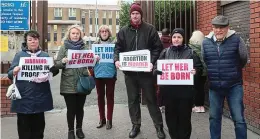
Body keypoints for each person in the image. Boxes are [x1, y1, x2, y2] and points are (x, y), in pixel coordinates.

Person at [114, 3, 165, 139]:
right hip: (130, 74)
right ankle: (135, 125)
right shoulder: (123, 31)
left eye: (137, 13)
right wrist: (116, 60)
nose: (135, 15)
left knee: (151, 100)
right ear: (130, 15)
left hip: (146, 73)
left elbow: (157, 48)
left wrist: (151, 62)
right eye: (133, 13)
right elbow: (117, 48)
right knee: (133, 100)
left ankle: (159, 127)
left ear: (141, 15)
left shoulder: (150, 29)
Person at [202, 15, 248, 139]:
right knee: (214, 118)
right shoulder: (205, 42)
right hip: (214, 86)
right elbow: (205, 61)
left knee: (239, 119)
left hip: (234, 86)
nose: (219, 30)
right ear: (212, 28)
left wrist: (233, 71)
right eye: (216, 27)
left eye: (222, 27)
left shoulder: (237, 40)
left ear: (228, 27)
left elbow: (243, 59)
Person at [7, 30, 59, 139]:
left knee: (38, 130)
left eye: (35, 39)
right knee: (24, 130)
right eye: (30, 39)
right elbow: (10, 74)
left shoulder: (44, 55)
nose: (33, 42)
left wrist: (54, 69)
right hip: (23, 97)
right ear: (26, 41)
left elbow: (53, 72)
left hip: (40, 97)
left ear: (38, 40)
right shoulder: (19, 55)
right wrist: (14, 71)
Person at [154, 28, 202, 139]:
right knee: (171, 119)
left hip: (185, 93)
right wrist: (157, 71)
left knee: (184, 119)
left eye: (179, 37)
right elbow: (157, 67)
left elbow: (199, 68)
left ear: (183, 39)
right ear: (171, 38)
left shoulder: (191, 52)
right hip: (169, 93)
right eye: (174, 37)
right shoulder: (165, 52)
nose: (176, 39)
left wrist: (196, 71)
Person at [55, 25, 96, 139]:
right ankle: (70, 131)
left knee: (80, 108)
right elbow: (57, 64)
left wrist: (94, 60)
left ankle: (79, 129)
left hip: (82, 82)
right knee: (71, 109)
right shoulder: (64, 48)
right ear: (69, 34)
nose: (75, 35)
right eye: (73, 33)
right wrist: (62, 61)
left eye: (77, 33)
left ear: (80, 35)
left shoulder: (85, 48)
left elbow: (90, 64)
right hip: (68, 82)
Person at [93, 25, 117, 130]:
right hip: (98, 74)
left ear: (109, 33)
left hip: (110, 74)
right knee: (100, 97)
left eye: (106, 31)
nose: (104, 33)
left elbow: (117, 57)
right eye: (102, 31)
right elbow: (90, 61)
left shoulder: (114, 45)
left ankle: (109, 120)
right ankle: (101, 118)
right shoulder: (94, 45)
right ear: (99, 33)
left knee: (110, 97)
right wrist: (94, 58)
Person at [189, 30, 207, 113]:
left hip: (195, 71)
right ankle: (201, 106)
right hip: (204, 72)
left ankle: (196, 105)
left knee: (195, 89)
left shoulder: (192, 47)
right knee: (201, 89)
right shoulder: (204, 46)